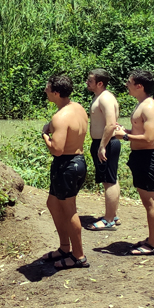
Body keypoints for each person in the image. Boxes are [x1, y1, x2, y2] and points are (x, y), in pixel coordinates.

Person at [39, 74, 90, 270]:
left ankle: (78, 256)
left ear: (57, 93)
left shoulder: (59, 117)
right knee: (52, 203)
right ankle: (64, 247)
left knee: (69, 210)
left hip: (67, 164)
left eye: (48, 88)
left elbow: (56, 149)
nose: (45, 90)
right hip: (76, 162)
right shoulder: (77, 108)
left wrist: (45, 134)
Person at [118, 70, 154, 255]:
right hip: (141, 157)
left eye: (129, 82)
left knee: (151, 201)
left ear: (140, 86)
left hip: (148, 158)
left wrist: (124, 136)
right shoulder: (142, 105)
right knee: (151, 200)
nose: (126, 85)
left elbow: (149, 138)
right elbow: (140, 132)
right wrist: (127, 130)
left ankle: (153, 245)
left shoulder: (150, 107)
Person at [84, 69, 122, 231]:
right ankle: (112, 215)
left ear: (100, 83)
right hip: (103, 143)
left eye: (90, 80)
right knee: (111, 179)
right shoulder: (99, 97)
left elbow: (111, 124)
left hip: (106, 144)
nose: (87, 82)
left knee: (109, 181)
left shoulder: (105, 98)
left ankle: (108, 220)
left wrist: (102, 146)